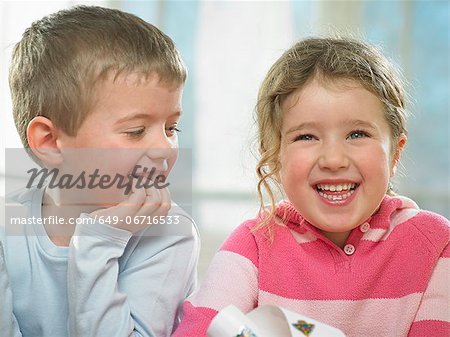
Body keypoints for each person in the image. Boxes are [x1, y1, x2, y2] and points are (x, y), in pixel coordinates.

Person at [172, 37, 449, 337]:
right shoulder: (253, 245)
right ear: (275, 156)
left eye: (357, 134)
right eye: (306, 137)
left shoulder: (434, 244)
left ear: (395, 152)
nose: (333, 159)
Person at [0, 5, 199, 337]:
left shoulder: (169, 234)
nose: (165, 148)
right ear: (49, 142)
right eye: (136, 131)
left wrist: (98, 242)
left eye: (171, 128)